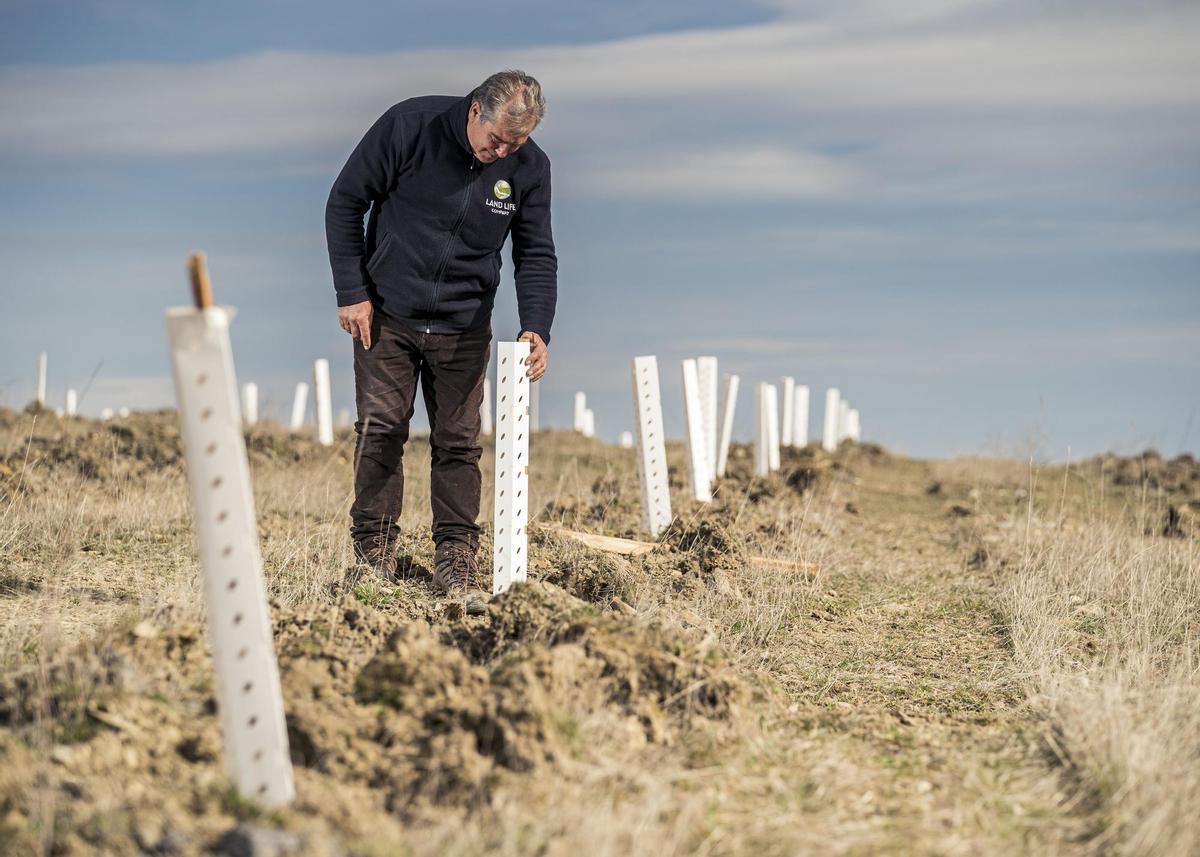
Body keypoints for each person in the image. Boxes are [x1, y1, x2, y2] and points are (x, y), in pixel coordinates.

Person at [324, 70, 557, 613]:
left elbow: (536, 252)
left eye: (515, 144)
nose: (502, 152)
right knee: (381, 428)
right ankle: (374, 554)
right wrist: (352, 291)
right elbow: (344, 202)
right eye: (496, 139)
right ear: (475, 110)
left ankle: (456, 560)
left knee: (458, 441)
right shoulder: (410, 126)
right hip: (385, 315)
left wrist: (536, 327)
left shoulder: (530, 168)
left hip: (464, 325)